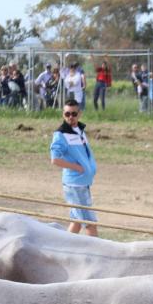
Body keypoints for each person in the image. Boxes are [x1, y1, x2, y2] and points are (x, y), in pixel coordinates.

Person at [50, 99, 98, 237]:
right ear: (63, 115)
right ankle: (96, 253)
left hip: (83, 183)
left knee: (77, 221)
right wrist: (76, 167)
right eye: (67, 114)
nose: (70, 117)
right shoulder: (60, 134)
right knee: (89, 223)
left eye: (74, 114)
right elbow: (55, 159)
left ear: (79, 114)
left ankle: (63, 249)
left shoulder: (80, 130)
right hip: (74, 184)